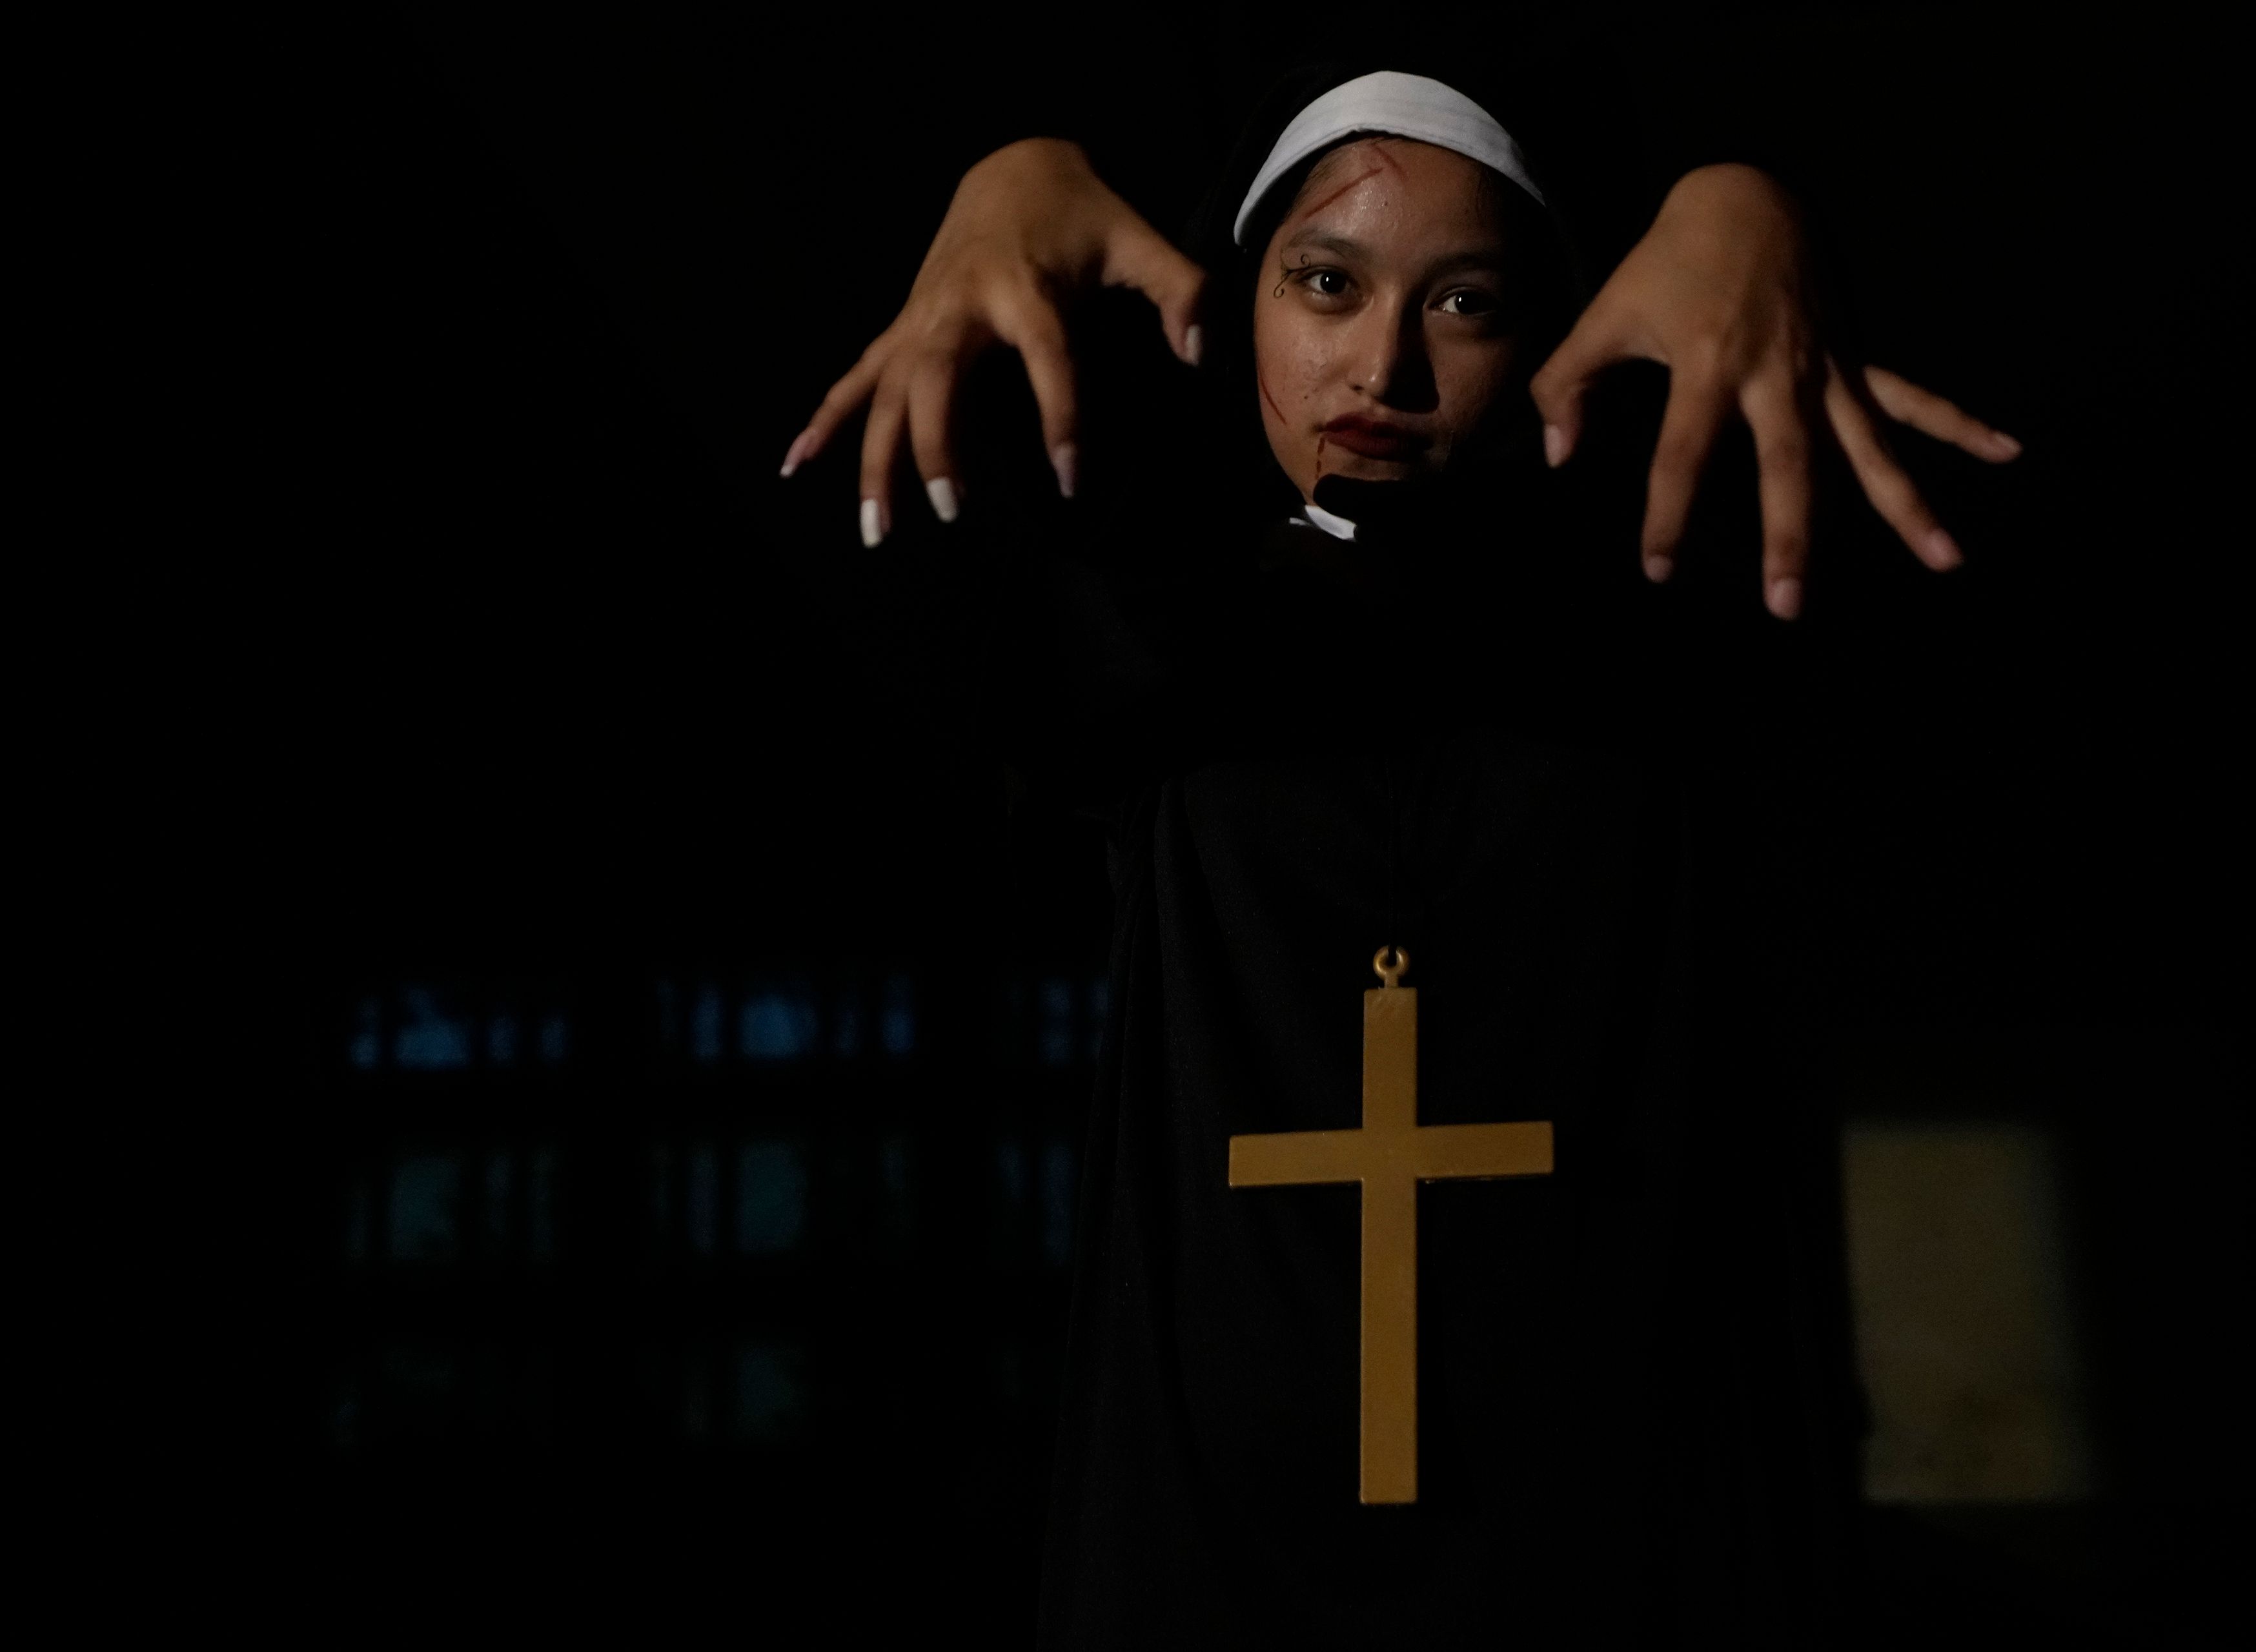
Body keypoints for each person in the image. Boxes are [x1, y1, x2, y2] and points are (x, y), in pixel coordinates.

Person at [784, 64, 2018, 1646]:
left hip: (1608, 1560)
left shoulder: (1663, 656)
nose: (1382, 364)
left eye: (1469, 302)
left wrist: (1757, 214)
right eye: (1323, 282)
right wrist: (1005, 184)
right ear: (1236, 308)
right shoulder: (1151, 653)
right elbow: (883, 629)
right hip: (1216, 1563)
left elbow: (1925, 637)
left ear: (1551, 335)